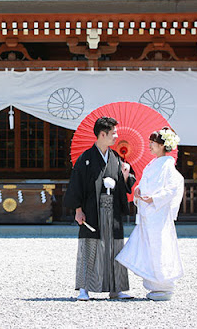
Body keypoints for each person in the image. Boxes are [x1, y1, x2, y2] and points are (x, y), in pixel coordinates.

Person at [64, 117, 136, 301]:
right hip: (92, 210)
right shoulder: (86, 159)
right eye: (113, 133)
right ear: (102, 134)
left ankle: (116, 288)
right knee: (89, 247)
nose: (116, 137)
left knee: (115, 248)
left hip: (113, 212)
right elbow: (76, 186)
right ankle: (84, 288)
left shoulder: (116, 158)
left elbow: (125, 185)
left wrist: (126, 176)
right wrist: (78, 209)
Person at [116, 127, 185, 301]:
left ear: (163, 145)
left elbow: (172, 188)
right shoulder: (153, 164)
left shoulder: (168, 166)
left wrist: (153, 199)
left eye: (152, 144)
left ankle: (163, 285)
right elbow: (145, 184)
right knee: (147, 247)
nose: (150, 147)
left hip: (158, 214)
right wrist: (139, 191)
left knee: (159, 247)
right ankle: (154, 285)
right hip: (149, 214)